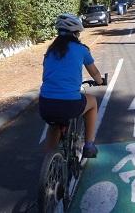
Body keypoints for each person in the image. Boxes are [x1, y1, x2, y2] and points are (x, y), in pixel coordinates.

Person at [39, 13, 104, 158]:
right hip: (69, 104)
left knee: (54, 124)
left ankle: (50, 160)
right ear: (75, 33)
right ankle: (88, 146)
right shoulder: (82, 49)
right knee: (92, 102)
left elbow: (47, 74)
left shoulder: (50, 51)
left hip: (45, 104)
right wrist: (100, 81)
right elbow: (94, 73)